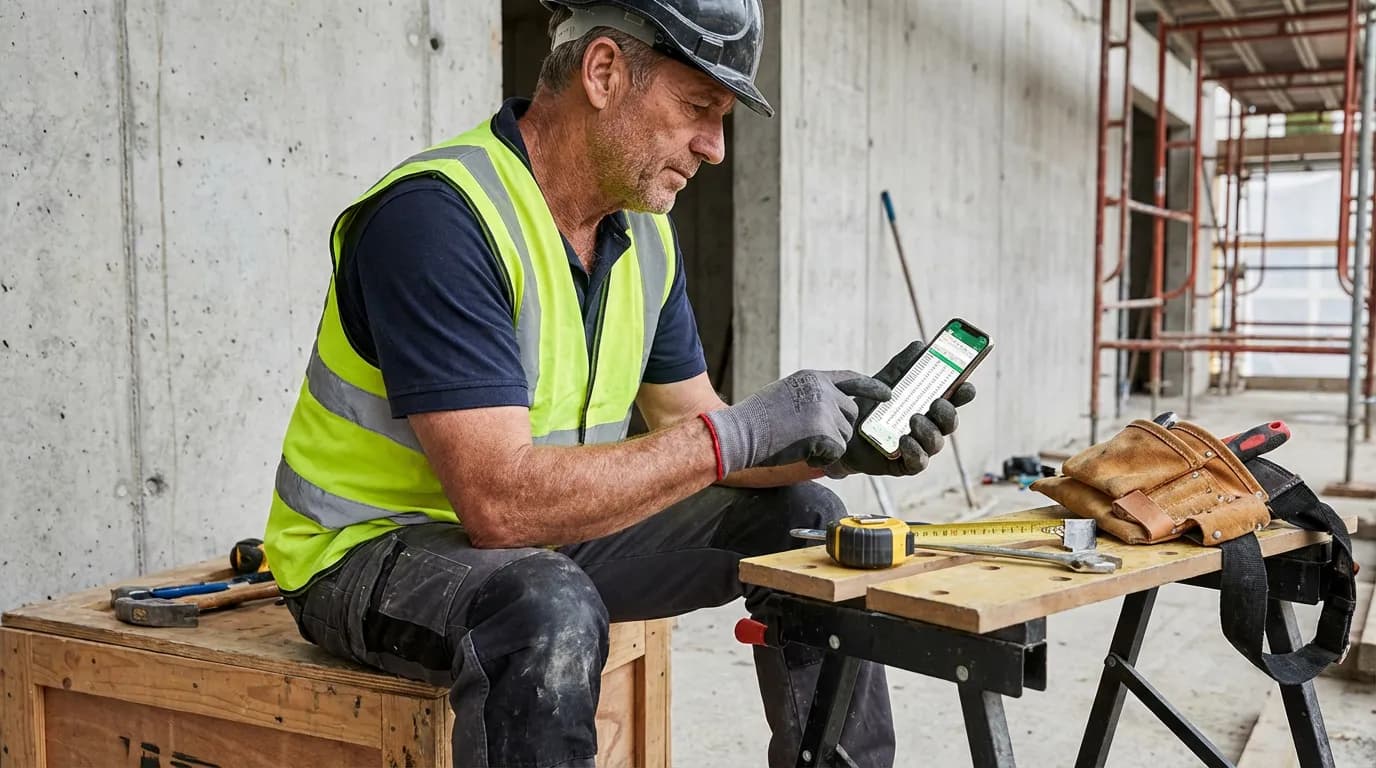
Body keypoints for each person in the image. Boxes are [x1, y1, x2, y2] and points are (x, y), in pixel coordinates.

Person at [262, 1, 974, 765]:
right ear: (603, 72)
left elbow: (693, 418)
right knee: (546, 607)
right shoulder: (438, 218)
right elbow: (500, 504)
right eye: (699, 107)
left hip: (548, 537)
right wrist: (747, 427)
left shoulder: (642, 239)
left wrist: (835, 444)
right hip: (365, 556)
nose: (716, 147)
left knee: (807, 519)